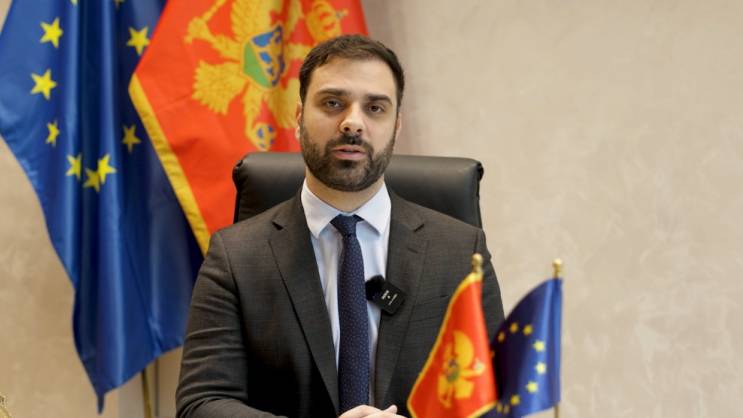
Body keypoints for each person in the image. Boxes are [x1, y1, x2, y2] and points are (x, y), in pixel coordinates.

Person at [176, 35, 504, 418]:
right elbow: (201, 404)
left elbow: (495, 400)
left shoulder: (461, 253)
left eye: (375, 108)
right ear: (299, 117)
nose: (352, 123)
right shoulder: (236, 257)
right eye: (333, 103)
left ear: (396, 126)